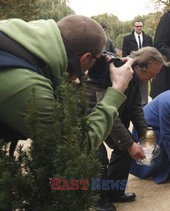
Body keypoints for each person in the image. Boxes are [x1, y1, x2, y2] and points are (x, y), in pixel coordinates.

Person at [0, 15, 134, 152]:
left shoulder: (12, 32)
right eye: (97, 60)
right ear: (85, 58)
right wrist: (117, 89)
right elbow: (75, 147)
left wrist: (63, 79)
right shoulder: (27, 85)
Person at [87, 47, 167, 211]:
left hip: (108, 118)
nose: (155, 77)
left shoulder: (136, 79)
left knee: (124, 150)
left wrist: (145, 134)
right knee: (98, 157)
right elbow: (108, 112)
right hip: (88, 117)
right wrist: (130, 144)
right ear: (140, 67)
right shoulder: (117, 72)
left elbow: (136, 108)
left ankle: (114, 191)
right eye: (153, 73)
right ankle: (98, 198)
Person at [123, 21, 154, 106]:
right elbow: (124, 54)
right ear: (134, 27)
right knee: (132, 86)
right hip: (133, 67)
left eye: (140, 26)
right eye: (137, 26)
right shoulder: (127, 39)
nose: (139, 28)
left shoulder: (148, 39)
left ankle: (144, 106)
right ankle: (131, 104)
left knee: (144, 88)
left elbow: (152, 52)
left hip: (145, 67)